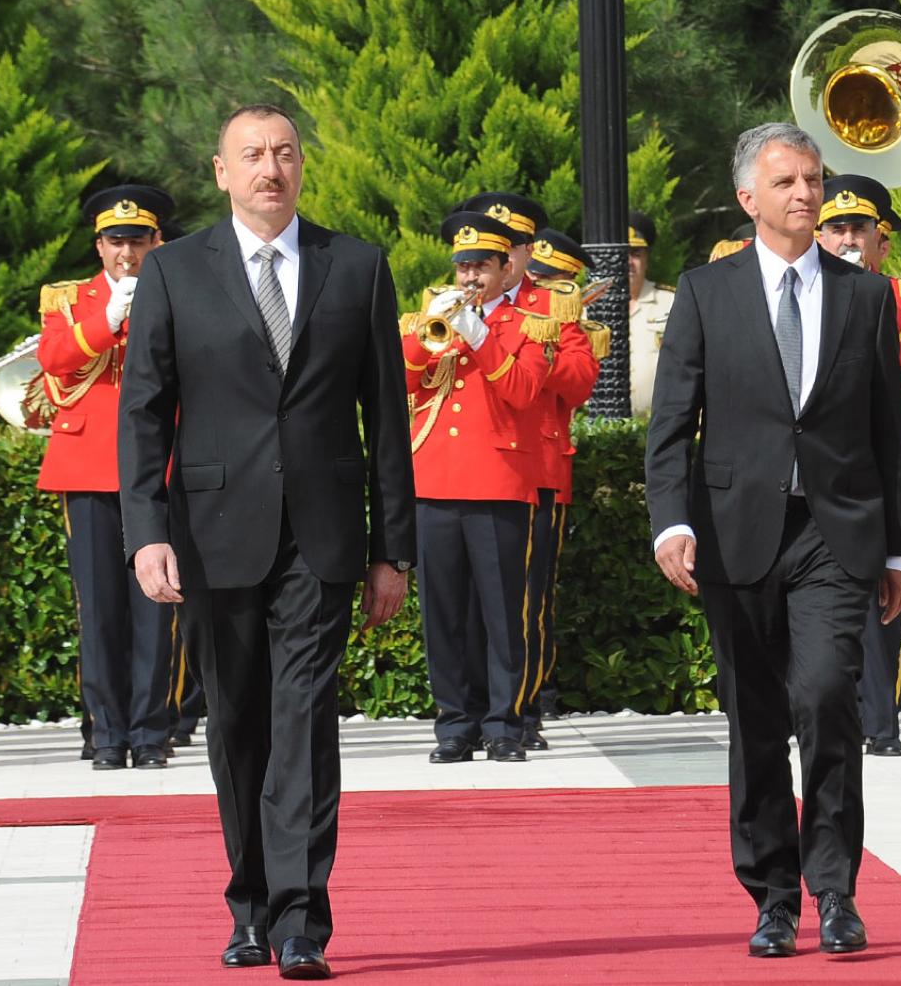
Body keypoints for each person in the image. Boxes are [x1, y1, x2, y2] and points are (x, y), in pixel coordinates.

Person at [119, 104, 416, 980]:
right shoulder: (175, 272)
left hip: (321, 539)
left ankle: (299, 923)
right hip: (212, 535)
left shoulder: (355, 267)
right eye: (251, 155)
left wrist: (390, 548)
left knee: (304, 722)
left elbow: (388, 419)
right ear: (221, 172)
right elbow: (142, 411)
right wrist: (146, 534)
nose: (269, 169)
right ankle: (248, 906)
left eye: (284, 153)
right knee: (237, 725)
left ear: (301, 166)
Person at [646, 121, 901, 959]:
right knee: (757, 718)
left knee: (826, 700)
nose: (805, 195)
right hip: (735, 538)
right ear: (748, 199)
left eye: (813, 180)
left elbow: (889, 430)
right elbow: (672, 424)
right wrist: (672, 520)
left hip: (834, 536)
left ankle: (834, 888)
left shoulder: (866, 295)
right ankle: (772, 896)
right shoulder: (706, 291)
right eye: (788, 183)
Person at [402, 213, 554, 764]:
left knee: (502, 613)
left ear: (502, 266)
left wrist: (481, 337)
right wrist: (429, 336)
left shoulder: (529, 322)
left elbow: (523, 391)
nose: (468, 276)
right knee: (442, 614)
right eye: (462, 265)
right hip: (436, 480)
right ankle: (453, 725)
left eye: (479, 267)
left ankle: (504, 725)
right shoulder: (429, 313)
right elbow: (400, 378)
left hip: (498, 483)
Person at [39, 186, 178, 771]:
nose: (127, 252)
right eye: (116, 241)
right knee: (97, 610)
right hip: (89, 466)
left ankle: (150, 733)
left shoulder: (176, 289)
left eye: (138, 241)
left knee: (158, 607)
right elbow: (53, 359)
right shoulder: (70, 299)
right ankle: (105, 732)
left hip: (160, 467)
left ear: (156, 243)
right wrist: (109, 317)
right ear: (99, 246)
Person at [815, 174, 901, 757]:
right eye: (836, 228)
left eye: (858, 229)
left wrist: (867, 291)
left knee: (884, 594)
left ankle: (880, 723)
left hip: (885, 466)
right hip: (822, 464)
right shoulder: (801, 296)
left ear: (880, 242)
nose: (847, 237)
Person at [522, 228, 603, 737]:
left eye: (556, 281)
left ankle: (535, 693)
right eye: (537, 277)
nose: (544, 288)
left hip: (543, 470)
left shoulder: (572, 327)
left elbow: (575, 388)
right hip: (482, 468)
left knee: (534, 594)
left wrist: (547, 337)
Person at [624, 211, 673, 415]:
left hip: (656, 426)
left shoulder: (672, 303)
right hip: (598, 430)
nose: (628, 261)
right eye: (622, 254)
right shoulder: (590, 308)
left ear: (647, 260)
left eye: (636, 254)